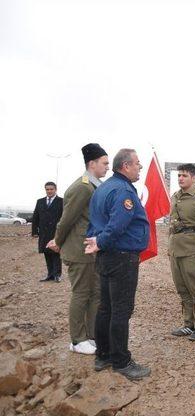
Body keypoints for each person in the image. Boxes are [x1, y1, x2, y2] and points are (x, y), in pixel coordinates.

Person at [85, 148, 151, 381]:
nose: (140, 168)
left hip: (106, 257)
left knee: (106, 308)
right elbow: (117, 225)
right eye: (137, 164)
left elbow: (94, 221)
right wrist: (100, 241)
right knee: (121, 310)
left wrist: (95, 242)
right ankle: (121, 361)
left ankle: (103, 355)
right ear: (126, 166)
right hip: (121, 257)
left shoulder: (102, 188)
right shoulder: (122, 190)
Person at [46, 143, 108, 355]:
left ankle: (91, 336)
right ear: (92, 164)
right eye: (104, 163)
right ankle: (77, 339)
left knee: (95, 293)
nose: (107, 167)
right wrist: (57, 240)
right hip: (78, 250)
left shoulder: (95, 185)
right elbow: (66, 220)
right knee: (81, 293)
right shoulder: (82, 187)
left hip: (91, 250)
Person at [168, 164, 195, 341]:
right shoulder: (175, 197)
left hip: (192, 249)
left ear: (194, 178)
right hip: (176, 248)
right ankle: (188, 324)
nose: (180, 178)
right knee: (182, 288)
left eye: (184, 175)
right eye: (179, 176)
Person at [32, 182, 63, 282]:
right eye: (47, 189)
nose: (49, 191)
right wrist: (34, 231)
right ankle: (50, 275)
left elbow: (64, 218)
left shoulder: (61, 201)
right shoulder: (40, 201)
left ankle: (57, 275)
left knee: (56, 253)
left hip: (56, 233)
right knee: (47, 253)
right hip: (44, 233)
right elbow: (35, 217)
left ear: (55, 189)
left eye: (51, 189)